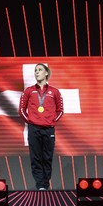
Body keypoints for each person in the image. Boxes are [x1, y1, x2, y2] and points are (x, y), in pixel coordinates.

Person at [18, 63, 64, 191]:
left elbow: (60, 110)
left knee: (47, 157)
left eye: (40, 70)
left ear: (46, 73)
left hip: (49, 129)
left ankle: (45, 183)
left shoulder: (54, 91)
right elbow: (21, 110)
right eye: (35, 70)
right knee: (35, 157)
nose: (37, 72)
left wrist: (52, 121)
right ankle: (40, 186)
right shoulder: (29, 91)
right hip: (34, 129)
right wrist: (31, 122)